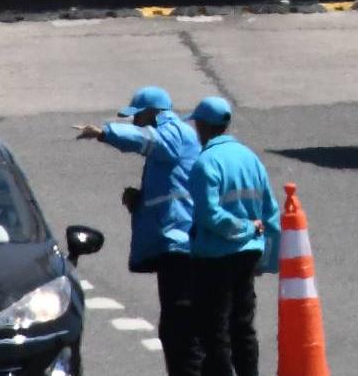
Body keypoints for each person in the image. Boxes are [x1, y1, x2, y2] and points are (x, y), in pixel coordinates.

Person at [77, 86, 202, 376]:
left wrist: (104, 133)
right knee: (175, 329)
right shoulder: (173, 138)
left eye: (138, 116)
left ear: (153, 113)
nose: (135, 122)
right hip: (175, 245)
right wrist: (140, 202)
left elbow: (146, 139)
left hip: (180, 247)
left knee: (181, 329)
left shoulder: (172, 132)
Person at [186, 97, 281, 376]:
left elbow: (210, 217)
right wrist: (267, 260)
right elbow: (271, 214)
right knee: (243, 326)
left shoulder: (206, 163)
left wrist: (245, 228)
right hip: (249, 256)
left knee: (215, 329)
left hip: (217, 257)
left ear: (203, 125)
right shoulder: (250, 158)